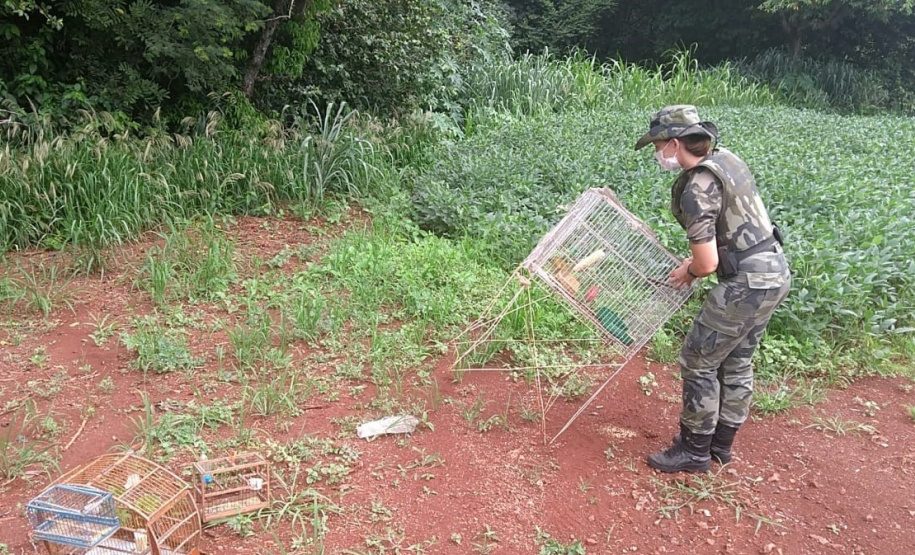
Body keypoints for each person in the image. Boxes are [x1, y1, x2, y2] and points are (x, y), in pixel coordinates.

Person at [633, 105, 791, 473]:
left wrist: (689, 270)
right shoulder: (727, 160)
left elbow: (706, 264)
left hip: (745, 284)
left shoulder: (697, 189)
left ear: (675, 144)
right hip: (774, 272)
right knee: (736, 362)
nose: (659, 154)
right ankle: (720, 446)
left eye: (659, 146)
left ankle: (693, 451)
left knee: (698, 359)